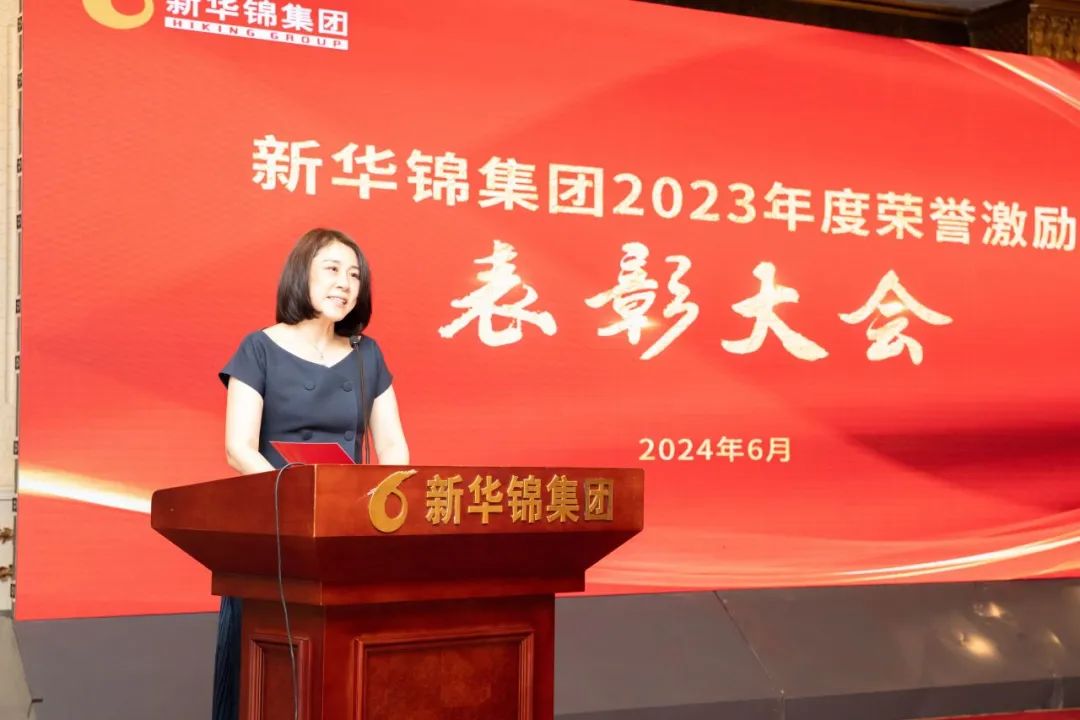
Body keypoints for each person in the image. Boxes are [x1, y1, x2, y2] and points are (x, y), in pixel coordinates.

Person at [212, 228, 409, 720]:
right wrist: (296, 502)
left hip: (343, 531)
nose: (345, 283)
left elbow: (392, 447)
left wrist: (392, 511)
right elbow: (238, 448)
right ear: (301, 274)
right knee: (268, 677)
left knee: (342, 669)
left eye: (355, 275)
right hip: (275, 529)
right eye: (332, 269)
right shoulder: (258, 347)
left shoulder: (367, 354)